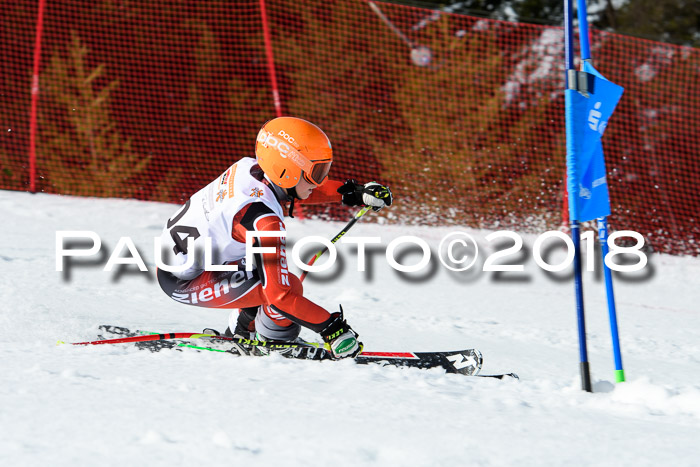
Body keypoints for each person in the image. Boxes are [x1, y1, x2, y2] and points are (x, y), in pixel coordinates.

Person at [157, 117, 392, 359]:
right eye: (317, 173)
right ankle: (273, 343)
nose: (319, 181)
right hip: (184, 281)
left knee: (270, 276)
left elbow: (293, 187)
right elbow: (280, 297)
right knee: (286, 286)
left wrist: (352, 193)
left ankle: (244, 331)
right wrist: (331, 329)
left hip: (191, 261)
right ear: (287, 170)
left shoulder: (251, 168)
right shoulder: (264, 221)